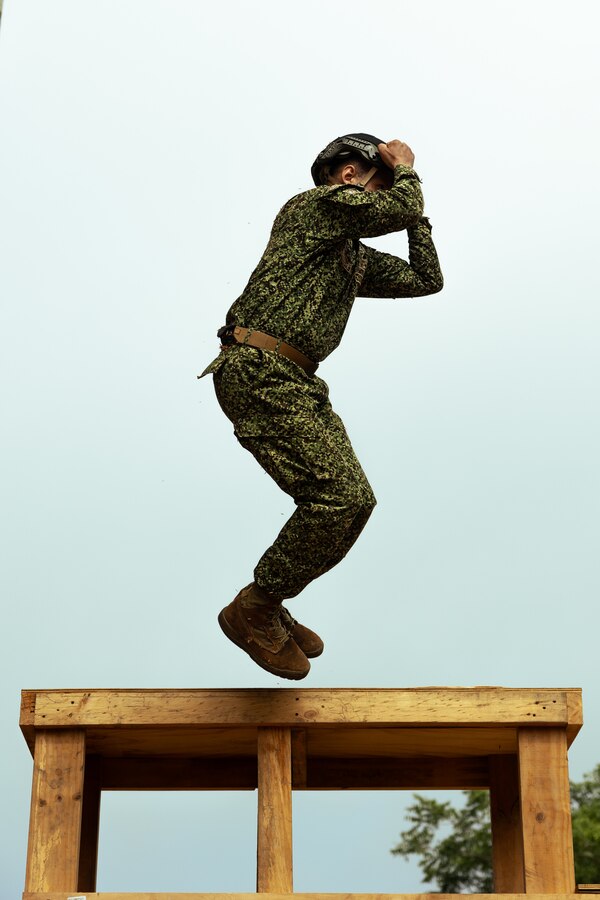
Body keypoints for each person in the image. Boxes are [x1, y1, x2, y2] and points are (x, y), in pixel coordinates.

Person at [200, 133, 443, 680]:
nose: (388, 189)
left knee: (353, 501)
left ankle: (265, 600)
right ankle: (256, 606)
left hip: (296, 379)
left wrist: (415, 218)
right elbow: (399, 204)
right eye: (378, 178)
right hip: (259, 367)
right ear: (348, 175)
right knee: (336, 496)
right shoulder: (315, 207)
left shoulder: (351, 255)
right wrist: (405, 173)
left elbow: (427, 280)